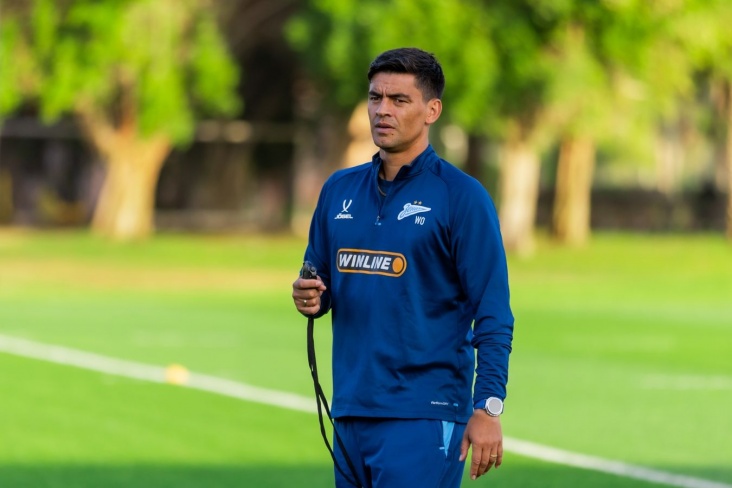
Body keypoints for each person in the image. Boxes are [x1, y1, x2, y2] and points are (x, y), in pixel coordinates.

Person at [292, 47, 514, 488]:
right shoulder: (338, 189)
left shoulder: (461, 197)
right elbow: (319, 281)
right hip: (351, 410)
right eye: (375, 98)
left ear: (432, 111)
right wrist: (309, 297)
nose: (383, 110)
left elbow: (493, 312)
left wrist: (488, 406)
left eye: (399, 100)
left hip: (423, 415)